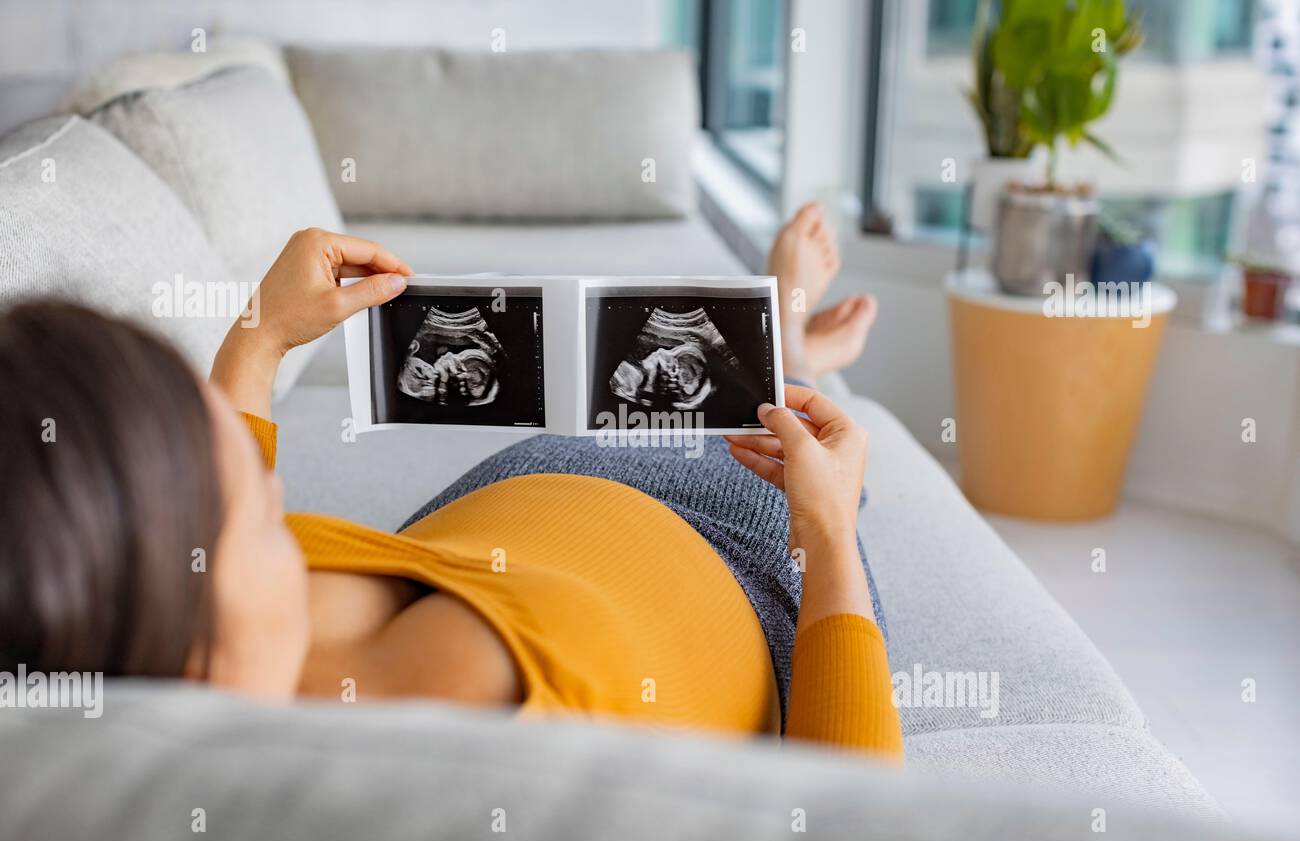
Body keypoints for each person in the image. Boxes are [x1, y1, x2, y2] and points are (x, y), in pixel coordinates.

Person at [0, 203, 901, 760]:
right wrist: (823, 535)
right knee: (785, 421)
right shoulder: (462, 787)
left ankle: (785, 348)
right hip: (749, 553)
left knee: (703, 389)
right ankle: (789, 338)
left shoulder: (202, 639)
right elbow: (857, 832)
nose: (267, 473)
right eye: (256, 506)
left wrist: (259, 335)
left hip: (527, 491)